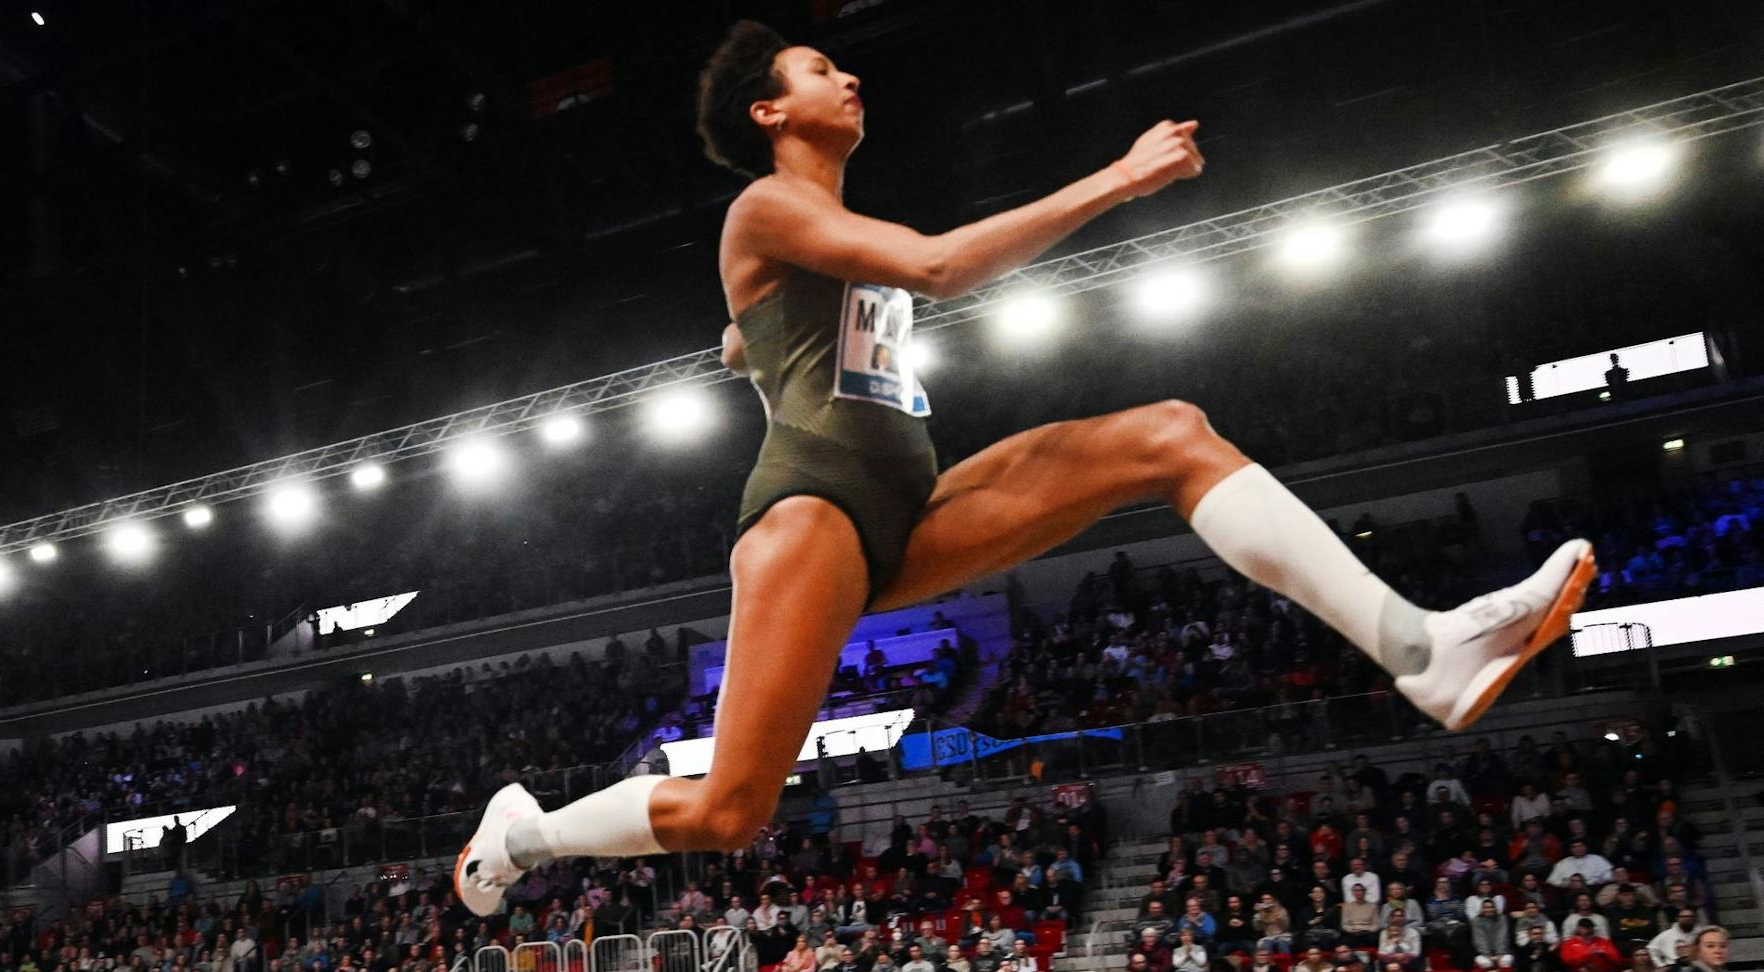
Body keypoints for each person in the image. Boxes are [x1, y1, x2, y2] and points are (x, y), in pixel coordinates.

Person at [453, 19, 1595, 916]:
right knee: (731, 811)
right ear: (770, 110)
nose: (850, 77)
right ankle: (525, 832)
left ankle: (1420, 648)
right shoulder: (764, 203)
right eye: (821, 69)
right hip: (812, 514)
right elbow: (937, 268)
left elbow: (790, 329)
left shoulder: (818, 232)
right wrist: (1121, 180)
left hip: (909, 504)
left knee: (1168, 433)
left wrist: (747, 336)